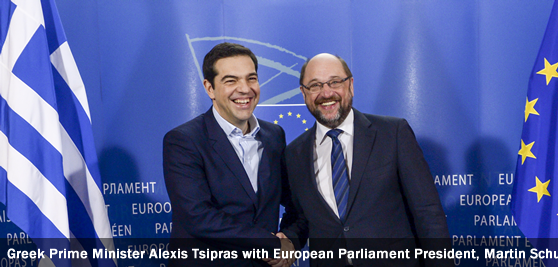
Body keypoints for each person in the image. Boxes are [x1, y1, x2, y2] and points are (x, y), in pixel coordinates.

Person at [283, 53, 452, 266]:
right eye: (315, 85)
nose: (326, 93)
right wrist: (288, 241)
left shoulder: (393, 133)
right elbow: (302, 218)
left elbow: (427, 212)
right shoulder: (294, 153)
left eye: (335, 82)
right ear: (304, 93)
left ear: (350, 85)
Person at [163, 42, 296, 267]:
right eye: (231, 80)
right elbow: (198, 216)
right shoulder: (183, 140)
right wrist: (270, 244)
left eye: (251, 78)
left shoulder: (275, 135)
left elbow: (294, 201)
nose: (244, 88)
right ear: (209, 88)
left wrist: (291, 238)